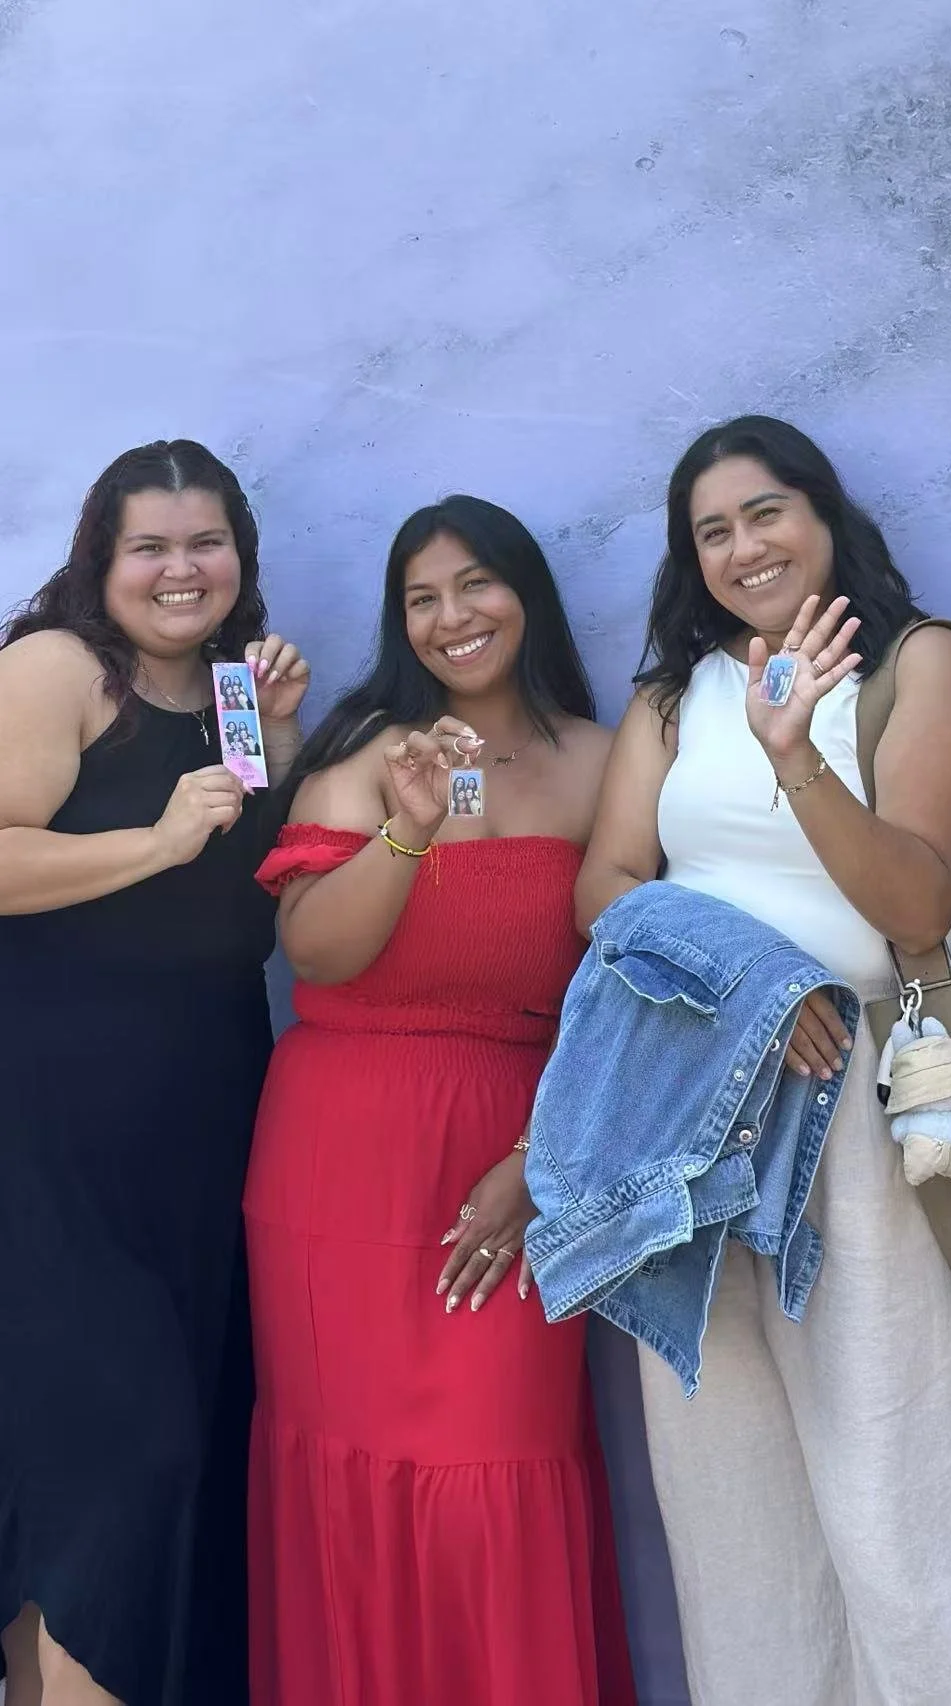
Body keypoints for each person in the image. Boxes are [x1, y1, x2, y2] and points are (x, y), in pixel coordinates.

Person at [576, 415, 951, 1705]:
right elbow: (606, 886)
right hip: (688, 1105)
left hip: (858, 1100)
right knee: (733, 1521)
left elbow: (917, 902)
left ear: (826, 515)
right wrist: (743, 987)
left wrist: (800, 766)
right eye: (712, 530)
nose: (743, 546)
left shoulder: (924, 663)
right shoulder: (678, 694)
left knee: (898, 1518)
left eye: (766, 512)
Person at [243, 496, 635, 1706]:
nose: (453, 615)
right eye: (423, 596)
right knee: (349, 1476)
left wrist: (541, 1159)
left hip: (522, 1147)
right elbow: (315, 952)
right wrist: (407, 833)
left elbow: (629, 987)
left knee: (498, 1466)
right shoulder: (366, 749)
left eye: (476, 585)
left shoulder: (601, 756)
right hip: (340, 1155)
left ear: (527, 593)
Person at [0, 440, 310, 1706]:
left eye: (205, 542)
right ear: (103, 560)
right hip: (50, 1119)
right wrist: (155, 836)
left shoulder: (237, 693)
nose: (181, 570)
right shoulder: (60, 669)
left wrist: (279, 752)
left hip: (205, 1113)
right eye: (151, 546)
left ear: (238, 556)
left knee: (106, 1467)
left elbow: (238, 908)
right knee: (130, 1455)